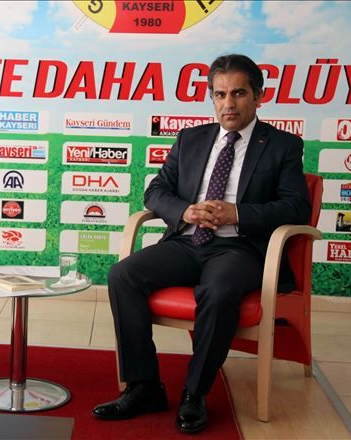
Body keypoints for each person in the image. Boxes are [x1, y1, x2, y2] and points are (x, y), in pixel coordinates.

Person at [92, 54, 310, 433]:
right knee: (123, 275)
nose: (229, 104)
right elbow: (155, 191)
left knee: (219, 291)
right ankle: (144, 386)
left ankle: (195, 393)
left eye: (239, 93)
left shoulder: (282, 145)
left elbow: (296, 206)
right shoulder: (190, 139)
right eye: (220, 94)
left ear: (259, 96)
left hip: (239, 248)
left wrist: (236, 213)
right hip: (187, 241)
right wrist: (187, 211)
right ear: (212, 98)